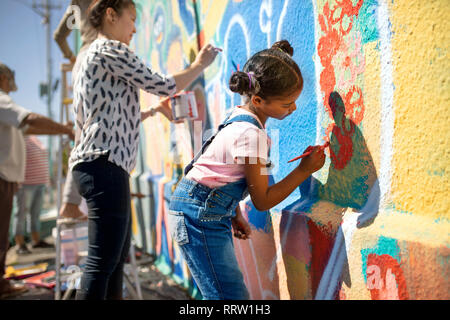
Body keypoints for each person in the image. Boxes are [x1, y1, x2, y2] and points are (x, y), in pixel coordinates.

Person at [69, 0, 220, 300]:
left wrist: (152, 113)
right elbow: (162, 85)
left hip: (96, 166)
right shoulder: (111, 49)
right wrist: (199, 66)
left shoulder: (88, 57)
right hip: (105, 166)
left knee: (111, 263)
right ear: (111, 15)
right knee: (103, 264)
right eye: (132, 18)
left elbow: (103, 116)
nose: (136, 28)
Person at [168, 40, 326, 300]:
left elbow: (217, 170)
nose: (293, 108)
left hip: (197, 210)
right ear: (258, 99)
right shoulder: (252, 135)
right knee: (228, 297)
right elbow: (262, 201)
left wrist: (231, 213)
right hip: (198, 217)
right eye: (287, 104)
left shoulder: (238, 116)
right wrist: (303, 170)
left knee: (223, 292)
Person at [0, 63, 74, 299]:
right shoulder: (1, 100)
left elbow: (29, 128)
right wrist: (65, 128)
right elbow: (28, 118)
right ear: (3, 78)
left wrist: (63, 131)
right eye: (10, 78)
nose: (12, 83)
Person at [54, 0, 97, 220]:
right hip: (98, 56)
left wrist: (72, 57)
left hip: (83, 59)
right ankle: (70, 203)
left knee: (84, 131)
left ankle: (70, 202)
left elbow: (59, 36)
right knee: (93, 129)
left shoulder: (76, 4)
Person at [14, 135, 53, 255]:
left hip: (40, 182)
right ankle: (19, 244)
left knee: (35, 214)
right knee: (21, 214)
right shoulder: (18, 138)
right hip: (25, 183)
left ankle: (36, 241)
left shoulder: (34, 138)